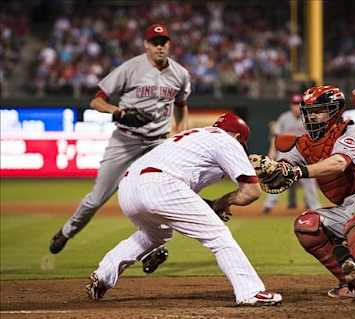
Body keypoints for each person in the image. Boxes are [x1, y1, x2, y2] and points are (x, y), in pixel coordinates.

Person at [85, 113, 282, 306]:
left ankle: (103, 276)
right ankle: (251, 292)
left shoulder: (194, 137)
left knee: (154, 235)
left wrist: (214, 205)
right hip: (160, 184)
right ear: (238, 137)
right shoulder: (227, 140)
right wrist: (224, 200)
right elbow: (251, 192)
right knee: (217, 235)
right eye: (242, 145)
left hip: (129, 186)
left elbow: (181, 196)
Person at [49, 23, 191, 274]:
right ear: (146, 45)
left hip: (157, 143)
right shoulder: (130, 68)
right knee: (96, 199)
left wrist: (181, 129)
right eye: (155, 42)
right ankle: (66, 231)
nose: (160, 46)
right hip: (125, 141)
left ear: (170, 44)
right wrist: (118, 111)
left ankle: (152, 249)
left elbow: (181, 104)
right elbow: (96, 100)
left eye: (164, 42)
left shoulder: (180, 74)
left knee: (158, 197)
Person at [267, 85, 355, 303]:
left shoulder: (351, 132)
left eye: (318, 110)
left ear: (335, 111)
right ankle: (351, 281)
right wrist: (268, 171)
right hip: (347, 205)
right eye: (308, 111)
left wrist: (298, 171)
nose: (311, 116)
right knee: (307, 225)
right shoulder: (306, 144)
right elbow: (283, 166)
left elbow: (338, 163)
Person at [262, 94, 320, 214]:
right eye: (294, 104)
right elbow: (276, 136)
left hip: (304, 152)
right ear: (291, 105)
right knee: (276, 176)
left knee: (309, 178)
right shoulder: (284, 118)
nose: (296, 107)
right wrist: (272, 151)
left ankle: (315, 207)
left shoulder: (308, 118)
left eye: (298, 104)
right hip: (286, 152)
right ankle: (269, 205)